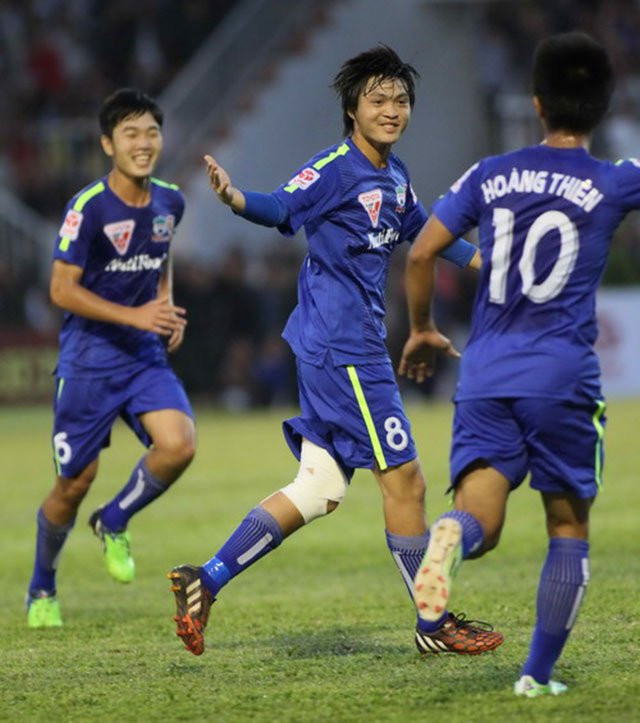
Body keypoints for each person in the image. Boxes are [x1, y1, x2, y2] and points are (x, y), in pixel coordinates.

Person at [167, 45, 503, 658]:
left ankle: (204, 579)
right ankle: (433, 622)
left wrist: (496, 265)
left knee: (320, 487)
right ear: (352, 109)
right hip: (344, 350)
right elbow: (280, 206)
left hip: (341, 346)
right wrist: (235, 197)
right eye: (378, 99)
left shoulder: (395, 176)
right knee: (406, 481)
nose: (391, 109)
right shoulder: (334, 168)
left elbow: (430, 237)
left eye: (400, 100)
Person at [400, 31, 623, 696]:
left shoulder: (490, 173)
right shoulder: (613, 180)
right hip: (561, 375)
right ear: (603, 106)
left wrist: (421, 328)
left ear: (536, 103)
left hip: (486, 371)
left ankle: (450, 535)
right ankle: (535, 676)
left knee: (482, 520)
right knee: (566, 525)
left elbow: (421, 252)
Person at [26, 88, 196, 628]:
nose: (143, 143)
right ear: (108, 144)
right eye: (130, 134)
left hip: (143, 356)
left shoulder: (171, 201)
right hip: (89, 360)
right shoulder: (89, 207)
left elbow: (160, 259)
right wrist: (135, 315)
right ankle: (42, 588)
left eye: (151, 132)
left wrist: (164, 308)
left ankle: (116, 519)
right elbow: (60, 289)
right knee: (74, 484)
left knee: (179, 445)